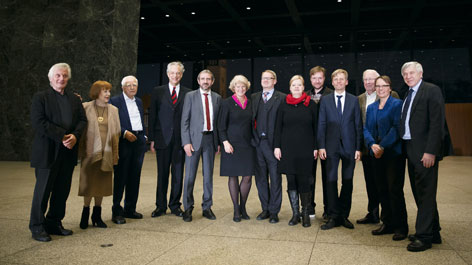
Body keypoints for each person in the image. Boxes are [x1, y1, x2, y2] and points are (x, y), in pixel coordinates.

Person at [29, 63, 87, 242]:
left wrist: (75, 136)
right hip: (48, 151)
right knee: (43, 191)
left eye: (65, 76)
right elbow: (39, 122)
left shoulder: (75, 99)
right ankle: (37, 226)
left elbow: (82, 120)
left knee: (62, 190)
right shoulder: (41, 97)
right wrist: (63, 136)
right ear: (50, 77)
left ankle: (54, 222)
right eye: (58, 76)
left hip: (68, 152)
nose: (61, 79)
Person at [400, 61, 452, 252]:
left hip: (424, 151)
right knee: (420, 192)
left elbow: (437, 124)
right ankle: (433, 231)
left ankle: (424, 237)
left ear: (420, 73)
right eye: (405, 74)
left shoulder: (431, 90)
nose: (408, 76)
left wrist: (431, 151)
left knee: (426, 194)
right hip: (411, 149)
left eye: (411, 73)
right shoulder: (408, 93)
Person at [364, 76, 408, 241]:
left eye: (384, 86)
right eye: (378, 86)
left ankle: (401, 226)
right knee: (381, 189)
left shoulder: (397, 104)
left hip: (392, 154)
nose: (381, 88)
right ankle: (387, 223)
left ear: (390, 88)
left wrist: (382, 146)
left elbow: (396, 128)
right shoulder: (372, 107)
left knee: (394, 190)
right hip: (376, 154)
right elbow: (366, 129)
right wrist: (372, 145)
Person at [318, 69, 362, 230]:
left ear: (346, 82)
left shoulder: (353, 100)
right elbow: (321, 124)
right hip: (330, 147)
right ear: (332, 82)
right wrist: (321, 145)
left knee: (347, 182)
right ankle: (333, 215)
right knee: (330, 181)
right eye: (335, 79)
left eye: (341, 79)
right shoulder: (325, 100)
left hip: (350, 147)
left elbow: (358, 125)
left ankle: (344, 215)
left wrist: (358, 147)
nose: (338, 81)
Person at [274, 75, 318, 227]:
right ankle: (295, 214)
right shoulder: (283, 104)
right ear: (290, 88)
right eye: (294, 85)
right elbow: (277, 128)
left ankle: (305, 213)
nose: (297, 87)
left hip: (306, 149)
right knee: (291, 181)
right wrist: (277, 147)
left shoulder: (311, 104)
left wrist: (316, 147)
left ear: (303, 87)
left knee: (304, 181)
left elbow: (317, 128)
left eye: (299, 85)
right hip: (287, 149)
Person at [149, 61, 191, 218]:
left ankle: (175, 205)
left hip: (181, 140)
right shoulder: (158, 91)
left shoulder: (188, 93)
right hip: (162, 139)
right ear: (168, 74)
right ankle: (160, 206)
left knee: (178, 174)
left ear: (181, 74)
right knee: (162, 174)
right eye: (172, 73)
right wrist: (152, 139)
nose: (175, 75)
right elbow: (153, 115)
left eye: (178, 73)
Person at [78, 81, 121, 229]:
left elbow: (116, 134)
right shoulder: (85, 107)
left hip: (107, 153)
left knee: (102, 185)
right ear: (97, 92)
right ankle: (85, 212)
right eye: (105, 91)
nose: (108, 94)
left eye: (109, 91)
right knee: (88, 184)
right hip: (90, 153)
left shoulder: (114, 110)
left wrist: (115, 155)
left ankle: (97, 215)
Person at [181, 69, 221, 222]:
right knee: (190, 176)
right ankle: (188, 208)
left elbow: (217, 122)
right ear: (198, 81)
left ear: (212, 81)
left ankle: (207, 207)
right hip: (193, 142)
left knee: (208, 176)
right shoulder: (190, 96)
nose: (205, 81)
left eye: (208, 79)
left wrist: (217, 142)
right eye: (202, 79)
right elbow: (184, 121)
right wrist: (186, 142)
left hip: (210, 141)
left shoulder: (217, 98)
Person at [109, 76, 146, 224]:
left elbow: (141, 120)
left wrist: (144, 136)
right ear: (123, 87)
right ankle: (117, 212)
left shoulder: (139, 101)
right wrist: (124, 132)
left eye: (134, 85)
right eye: (129, 85)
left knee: (134, 177)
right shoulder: (115, 101)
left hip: (138, 142)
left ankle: (130, 209)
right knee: (121, 177)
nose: (132, 87)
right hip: (124, 141)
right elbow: (113, 122)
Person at [218, 75, 255, 222]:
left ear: (246, 88)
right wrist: (225, 142)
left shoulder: (250, 103)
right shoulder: (226, 103)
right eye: (238, 86)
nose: (241, 88)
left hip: (248, 145)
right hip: (231, 145)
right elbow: (221, 126)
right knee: (233, 176)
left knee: (247, 177)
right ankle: (235, 209)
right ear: (233, 88)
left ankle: (243, 207)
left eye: (243, 86)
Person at [251, 70, 286, 223]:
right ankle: (265, 208)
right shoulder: (254, 97)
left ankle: (274, 211)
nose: (265, 80)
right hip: (257, 143)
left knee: (275, 178)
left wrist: (280, 145)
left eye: (269, 78)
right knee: (260, 179)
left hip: (273, 145)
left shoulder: (282, 98)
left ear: (275, 81)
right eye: (263, 78)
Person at [306, 66, 332, 219]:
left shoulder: (331, 94)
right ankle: (310, 207)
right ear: (310, 79)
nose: (317, 80)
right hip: (309, 143)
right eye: (314, 78)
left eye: (320, 78)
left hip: (327, 143)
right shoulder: (305, 96)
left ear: (324, 79)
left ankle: (328, 209)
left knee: (328, 177)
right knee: (309, 177)